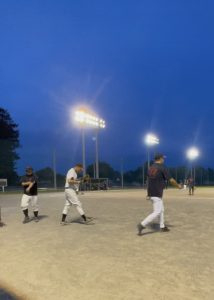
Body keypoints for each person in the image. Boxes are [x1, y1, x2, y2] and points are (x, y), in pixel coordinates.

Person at [137, 153, 181, 235]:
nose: (163, 159)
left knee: (161, 210)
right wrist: (178, 186)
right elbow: (170, 180)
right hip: (157, 192)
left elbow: (149, 181)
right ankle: (142, 224)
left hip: (151, 192)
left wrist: (148, 193)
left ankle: (162, 226)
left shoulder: (150, 167)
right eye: (163, 158)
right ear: (160, 159)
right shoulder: (162, 167)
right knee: (157, 211)